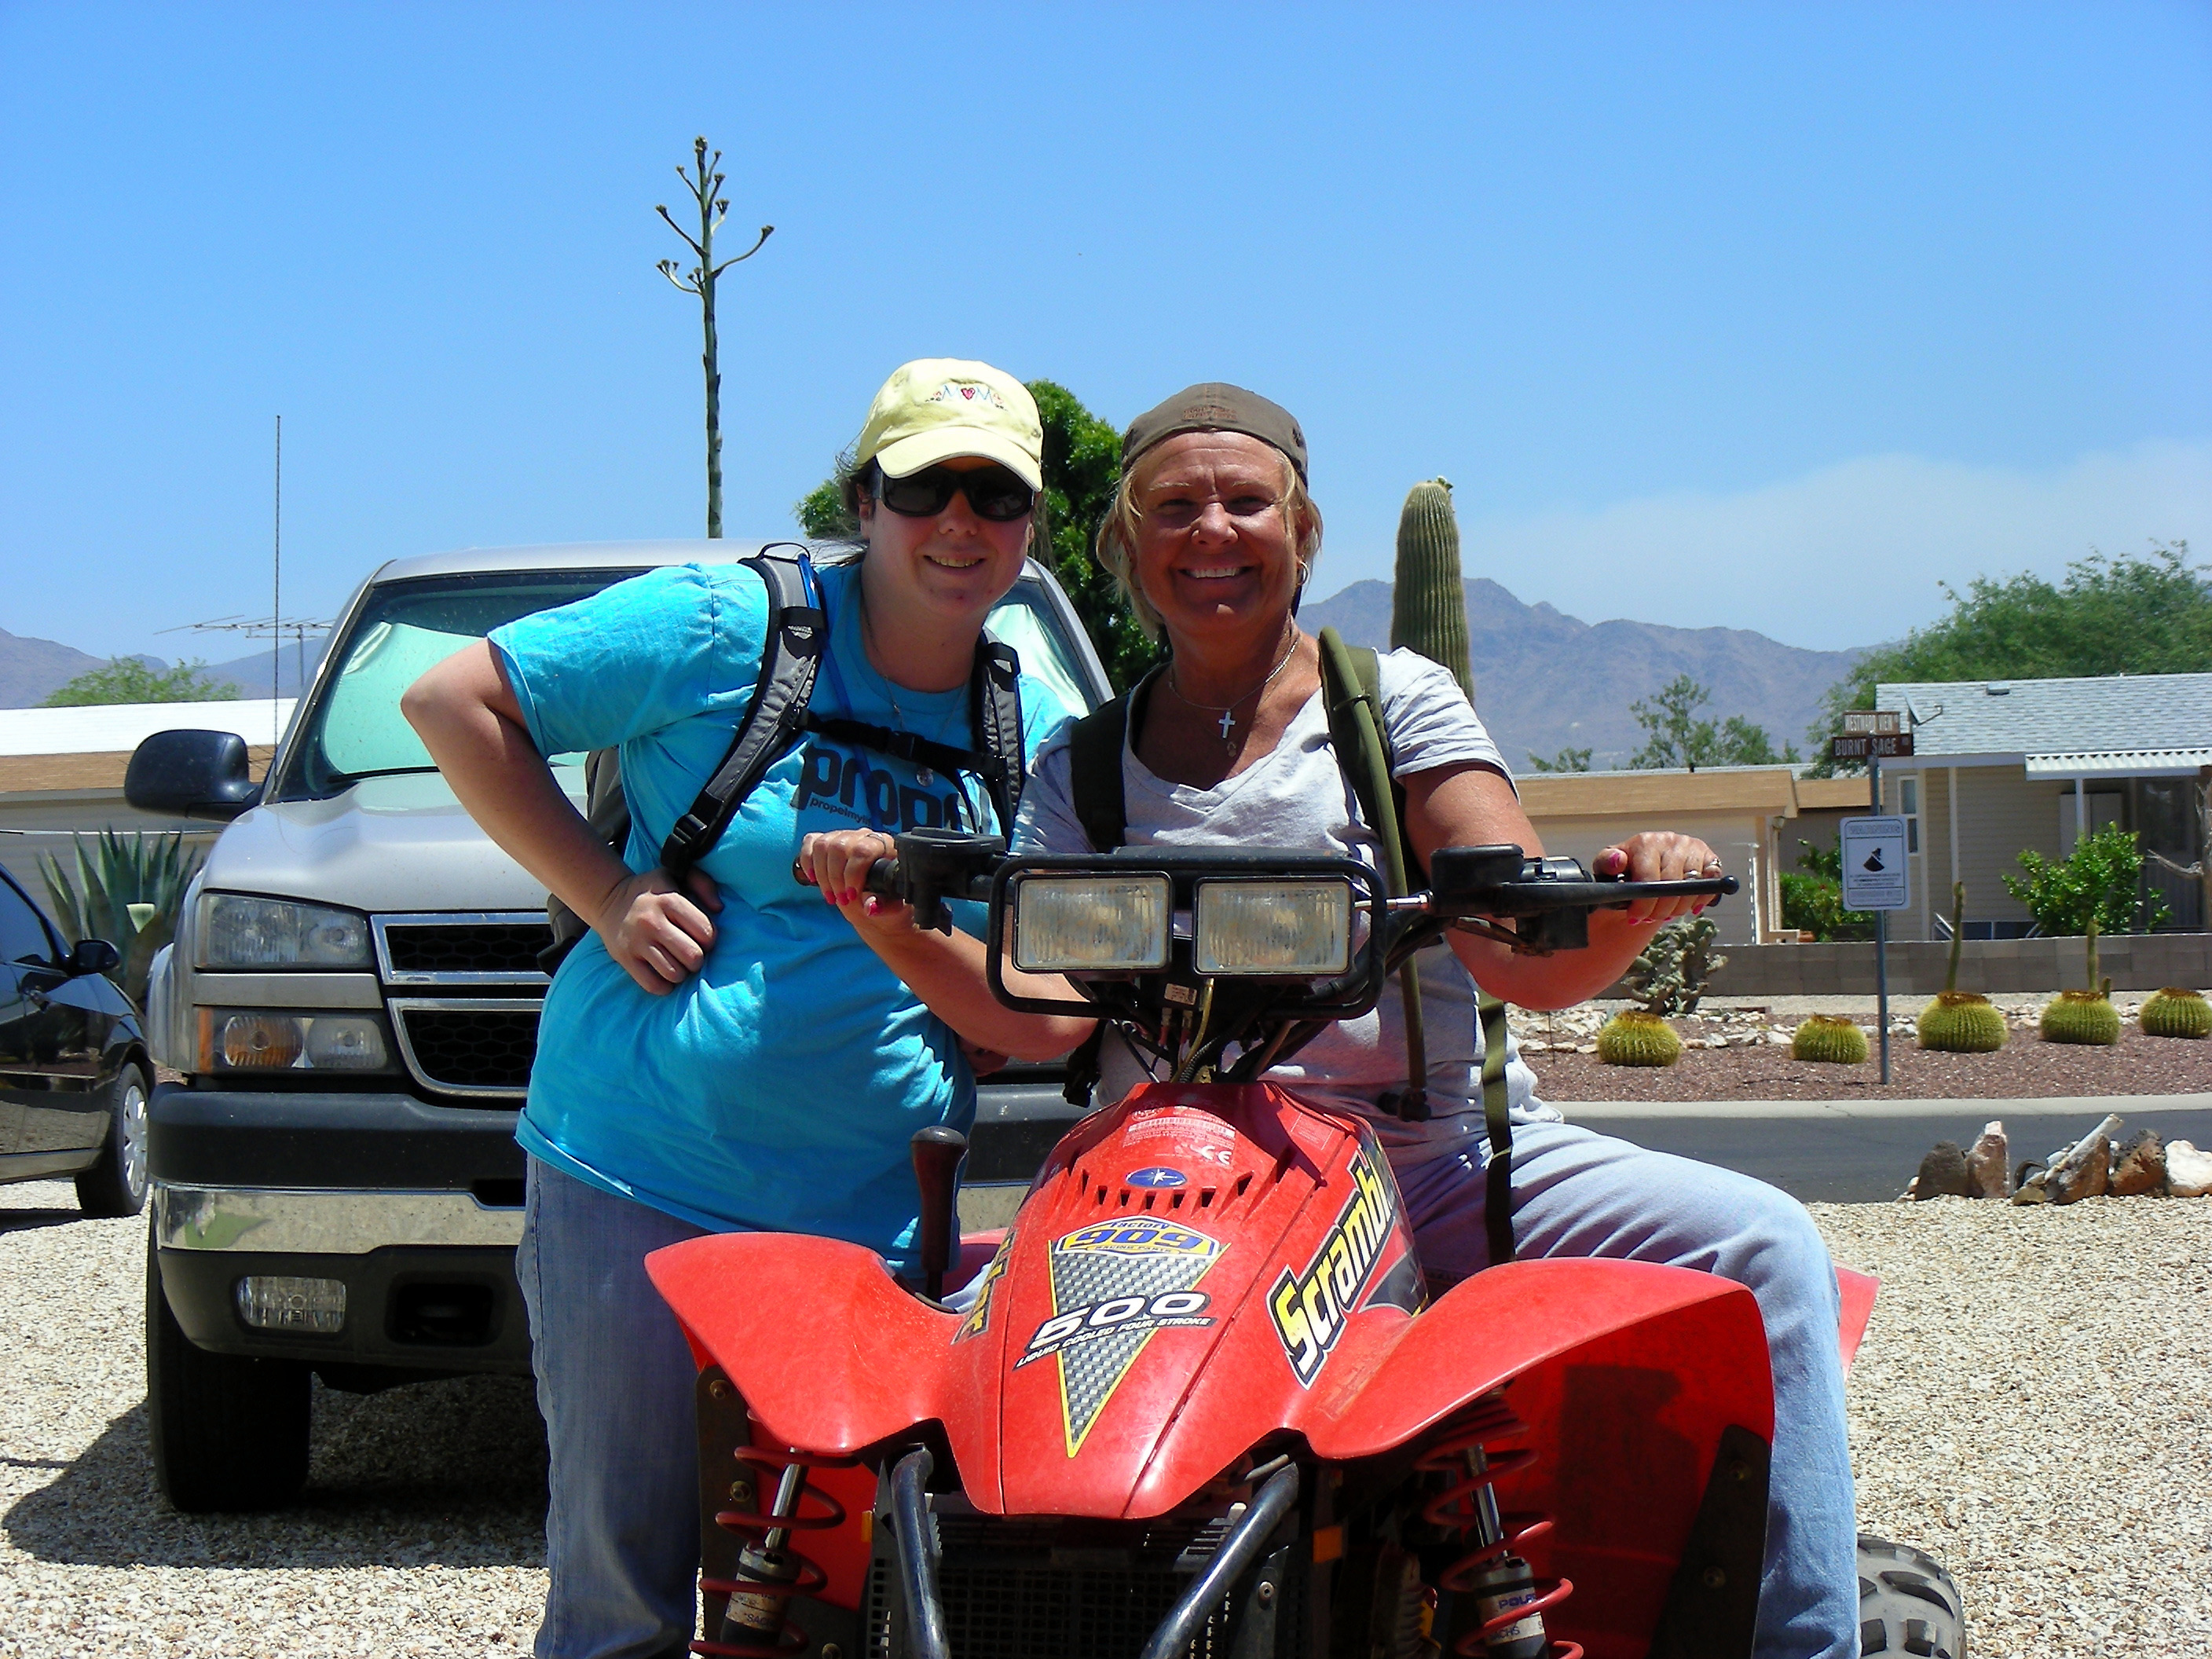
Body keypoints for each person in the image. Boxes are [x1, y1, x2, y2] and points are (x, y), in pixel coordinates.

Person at [800, 383, 1860, 1659]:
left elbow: (1514, 943)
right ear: (1125, 543)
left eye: (1246, 503)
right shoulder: (1081, 764)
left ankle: (1807, 1643)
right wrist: (890, 923)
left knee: (1768, 1248)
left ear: (1302, 531)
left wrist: (1626, 905)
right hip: (1166, 1190)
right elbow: (1044, 1017)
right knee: (889, 1362)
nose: (1213, 532)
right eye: (1175, 508)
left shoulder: (1393, 706)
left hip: (1427, 1164)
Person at [403, 359, 1082, 1659]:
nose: (959, 521)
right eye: (923, 486)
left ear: (1030, 525)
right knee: (627, 1596)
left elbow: (1046, 1016)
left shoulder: (1034, 726)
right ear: (863, 500)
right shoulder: (729, 627)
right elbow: (454, 699)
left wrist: (905, 926)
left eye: (996, 495)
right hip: (639, 1175)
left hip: (873, 1218)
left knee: (834, 1600)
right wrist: (608, 894)